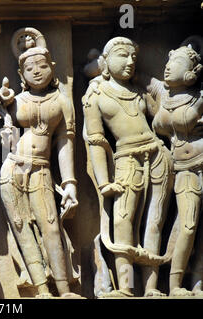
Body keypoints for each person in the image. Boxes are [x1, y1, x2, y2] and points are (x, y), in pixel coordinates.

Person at [83, 37, 173, 297]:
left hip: (158, 155)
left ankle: (152, 287)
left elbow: (160, 121)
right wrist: (103, 182)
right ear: (105, 61)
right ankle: (125, 287)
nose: (130, 61)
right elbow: (96, 140)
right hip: (126, 158)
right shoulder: (95, 93)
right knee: (123, 219)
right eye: (123, 55)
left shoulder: (138, 90)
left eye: (134, 56)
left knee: (155, 220)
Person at [0, 28, 80, 298]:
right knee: (22, 228)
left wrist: (69, 184)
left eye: (42, 66)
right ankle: (41, 290)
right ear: (21, 75)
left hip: (42, 170)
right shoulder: (16, 100)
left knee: (51, 227)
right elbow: (6, 134)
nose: (36, 71)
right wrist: (4, 109)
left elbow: (65, 144)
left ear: (53, 69)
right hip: (14, 168)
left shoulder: (61, 101)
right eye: (29, 68)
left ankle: (64, 288)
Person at [143, 45, 202, 296]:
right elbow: (138, 77)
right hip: (184, 168)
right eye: (167, 61)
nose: (168, 66)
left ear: (192, 73)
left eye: (176, 63)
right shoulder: (163, 93)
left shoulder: (199, 95)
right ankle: (175, 284)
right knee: (187, 225)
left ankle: (198, 282)